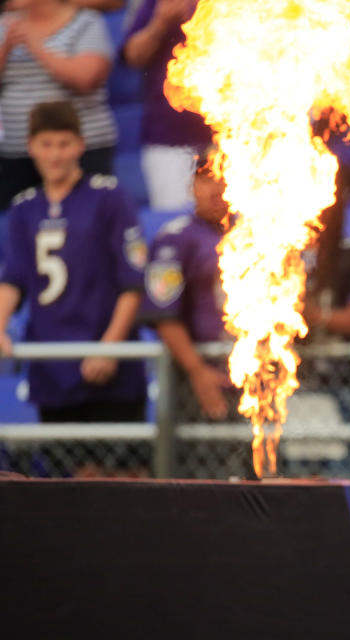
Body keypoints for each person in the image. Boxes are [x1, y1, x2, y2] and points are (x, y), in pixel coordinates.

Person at [0, 101, 147, 476]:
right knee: (74, 485)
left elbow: (133, 282)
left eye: (64, 143)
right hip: (54, 368)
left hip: (110, 370)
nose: (55, 154)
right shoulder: (22, 209)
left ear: (81, 145)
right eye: (46, 144)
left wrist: (110, 348)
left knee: (125, 482)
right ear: (31, 146)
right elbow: (12, 280)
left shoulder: (108, 198)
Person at [138, 151, 254, 479]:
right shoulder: (174, 239)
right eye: (208, 178)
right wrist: (197, 370)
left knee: (264, 479)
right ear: (192, 186)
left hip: (258, 376)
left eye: (225, 176)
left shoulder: (264, 232)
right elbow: (164, 316)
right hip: (203, 376)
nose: (217, 188)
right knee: (203, 477)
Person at [0, 0, 118, 210]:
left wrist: (35, 45)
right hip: (16, 152)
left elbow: (85, 78)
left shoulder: (86, 21)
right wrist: (7, 46)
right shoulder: (5, 26)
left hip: (80, 151)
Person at [121, 0, 213, 212]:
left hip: (233, 136)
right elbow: (133, 56)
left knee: (240, 225)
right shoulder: (155, 3)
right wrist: (160, 23)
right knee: (175, 222)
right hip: (169, 138)